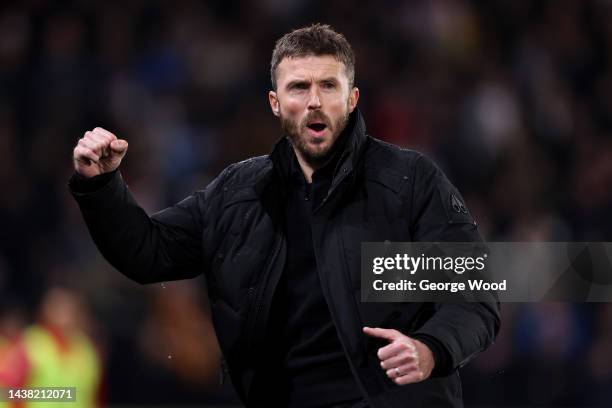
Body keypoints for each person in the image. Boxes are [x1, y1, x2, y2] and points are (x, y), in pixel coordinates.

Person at [69, 24, 499, 408]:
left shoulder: (409, 182)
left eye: (329, 86)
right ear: (275, 103)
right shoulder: (237, 194)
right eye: (299, 87)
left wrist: (430, 349)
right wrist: (102, 186)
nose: (314, 101)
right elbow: (149, 252)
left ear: (352, 100)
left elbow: (475, 295)